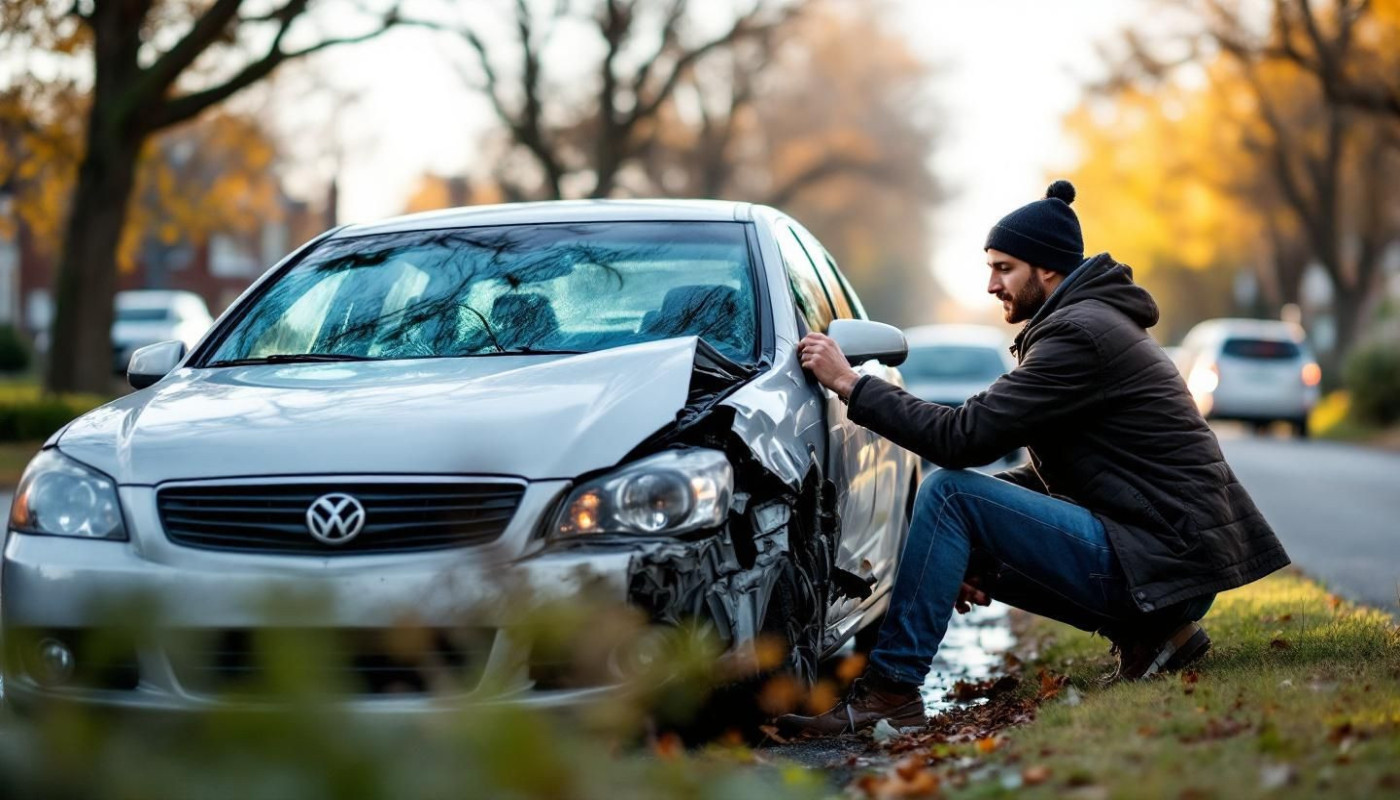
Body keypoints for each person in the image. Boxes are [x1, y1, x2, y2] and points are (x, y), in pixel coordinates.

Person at [779, 180, 1290, 736]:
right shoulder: (1085, 324)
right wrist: (973, 543)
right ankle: (1155, 637)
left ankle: (892, 691)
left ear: (1046, 269)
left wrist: (851, 384)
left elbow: (963, 437)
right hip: (1167, 555)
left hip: (1164, 556)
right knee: (964, 514)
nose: (991, 283)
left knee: (949, 493)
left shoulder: (1079, 336)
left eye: (1004, 268)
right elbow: (1070, 472)